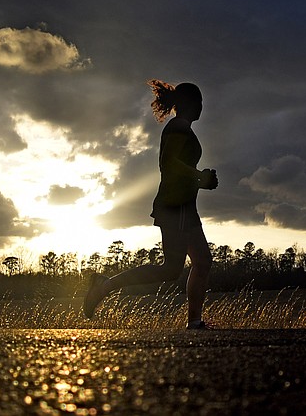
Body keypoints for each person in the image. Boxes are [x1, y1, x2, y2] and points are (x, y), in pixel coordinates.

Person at [83, 80, 218, 329]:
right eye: (199, 102)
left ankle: (195, 322)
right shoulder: (178, 127)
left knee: (202, 261)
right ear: (189, 103)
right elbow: (169, 164)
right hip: (175, 206)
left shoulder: (182, 127)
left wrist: (202, 181)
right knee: (171, 269)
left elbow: (177, 170)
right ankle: (105, 285)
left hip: (183, 205)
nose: (202, 107)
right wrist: (200, 177)